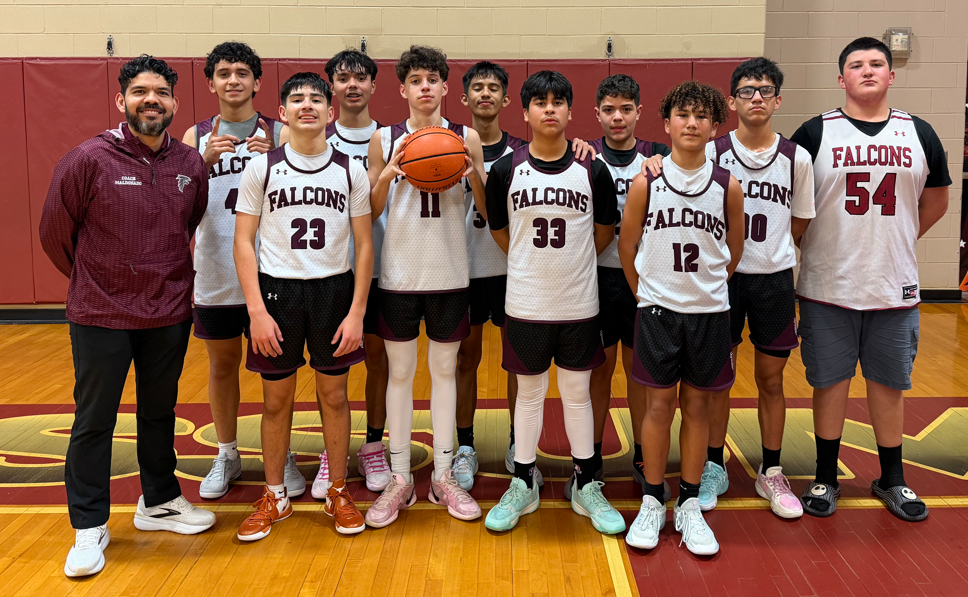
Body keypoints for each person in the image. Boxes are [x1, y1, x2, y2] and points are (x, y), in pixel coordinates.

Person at [40, 55, 215, 578]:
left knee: (160, 412)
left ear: (175, 103)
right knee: (95, 420)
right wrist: (99, 281)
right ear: (121, 100)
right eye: (140, 92)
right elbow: (54, 234)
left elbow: (192, 221)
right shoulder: (87, 159)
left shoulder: (190, 164)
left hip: (167, 312)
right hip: (100, 314)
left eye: (161, 92)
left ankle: (158, 502)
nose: (151, 100)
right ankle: (89, 525)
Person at [641, 58, 816, 518]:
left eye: (765, 89)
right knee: (715, 384)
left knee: (771, 378)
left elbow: (799, 221)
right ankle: (713, 464)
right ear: (733, 100)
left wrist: (773, 252)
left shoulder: (797, 157)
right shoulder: (714, 151)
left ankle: (771, 470)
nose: (756, 97)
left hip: (774, 278)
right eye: (746, 89)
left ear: (778, 99)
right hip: (720, 283)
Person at [791, 37, 950, 522]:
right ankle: (825, 476)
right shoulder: (815, 133)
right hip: (827, 285)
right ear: (841, 78)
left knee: (888, 385)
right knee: (830, 384)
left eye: (876, 63)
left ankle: (892, 479)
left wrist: (894, 237)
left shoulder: (918, 133)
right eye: (856, 65)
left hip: (893, 285)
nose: (867, 70)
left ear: (891, 75)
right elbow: (793, 207)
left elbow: (937, 200)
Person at [482, 70, 625, 535]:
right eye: (539, 102)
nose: (549, 109)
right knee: (528, 395)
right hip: (525, 302)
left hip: (579, 302)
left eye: (558, 101)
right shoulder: (506, 169)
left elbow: (604, 233)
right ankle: (523, 481)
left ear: (569, 111)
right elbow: (502, 233)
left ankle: (586, 484)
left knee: (578, 395)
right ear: (524, 113)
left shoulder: (592, 169)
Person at [233, 72, 373, 540]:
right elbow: (243, 241)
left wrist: (356, 312)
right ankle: (275, 494)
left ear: (330, 112)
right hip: (278, 294)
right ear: (283, 112)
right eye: (297, 99)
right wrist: (255, 309)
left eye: (317, 98)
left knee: (334, 396)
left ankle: (336, 488)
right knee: (276, 400)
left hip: (333, 290)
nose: (308, 105)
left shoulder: (351, 169)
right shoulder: (262, 167)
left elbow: (365, 245)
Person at [619, 81, 744, 555]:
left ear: (715, 126)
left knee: (697, 409)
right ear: (666, 123)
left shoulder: (726, 184)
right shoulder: (646, 182)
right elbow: (627, 247)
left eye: (701, 117)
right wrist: (646, 295)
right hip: (657, 312)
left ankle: (689, 504)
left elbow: (733, 250)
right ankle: (653, 500)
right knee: (657, 408)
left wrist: (707, 288)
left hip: (709, 314)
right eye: (683, 115)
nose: (692, 124)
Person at [363, 46, 485, 528]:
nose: (426, 87)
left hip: (451, 274)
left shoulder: (466, 137)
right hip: (399, 276)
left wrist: (474, 177)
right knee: (398, 374)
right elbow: (369, 211)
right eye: (416, 80)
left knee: (445, 374)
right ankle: (398, 478)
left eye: (434, 79)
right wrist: (391, 173)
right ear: (403, 89)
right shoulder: (384, 138)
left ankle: (443, 475)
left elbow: (488, 211)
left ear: (445, 87)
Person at [182, 41, 301, 501]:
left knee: (279, 370)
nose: (233, 80)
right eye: (224, 73)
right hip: (214, 271)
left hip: (272, 273)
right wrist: (202, 164)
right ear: (211, 82)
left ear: (256, 82)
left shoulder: (282, 132)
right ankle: (227, 452)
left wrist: (275, 156)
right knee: (223, 365)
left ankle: (281, 451)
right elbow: (181, 205)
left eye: (242, 72)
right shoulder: (195, 137)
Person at [584, 74, 671, 503]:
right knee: (598, 373)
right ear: (596, 114)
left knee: (641, 374)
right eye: (608, 109)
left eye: (625, 109)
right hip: (598, 277)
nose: (617, 117)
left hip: (648, 282)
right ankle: (593, 457)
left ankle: (642, 455)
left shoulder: (660, 157)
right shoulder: (583, 157)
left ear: (639, 111)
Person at [314, 48, 391, 498]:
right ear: (332, 87)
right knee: (331, 371)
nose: (353, 85)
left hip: (383, 266)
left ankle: (374, 445)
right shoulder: (312, 135)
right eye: (343, 78)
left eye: (361, 78)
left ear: (374, 87)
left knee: (377, 359)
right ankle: (333, 450)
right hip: (329, 270)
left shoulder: (391, 139)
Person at [453, 61, 526, 491]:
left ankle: (520, 445)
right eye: (477, 87)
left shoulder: (521, 152)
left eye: (493, 87)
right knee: (467, 359)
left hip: (511, 270)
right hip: (465, 268)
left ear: (505, 98)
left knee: (516, 363)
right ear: (464, 98)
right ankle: (465, 446)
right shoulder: (446, 144)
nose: (485, 93)